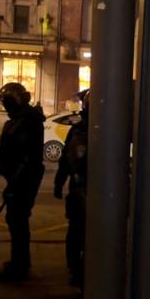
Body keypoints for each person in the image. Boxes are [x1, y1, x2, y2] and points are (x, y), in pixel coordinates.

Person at [0, 82, 45, 283]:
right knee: (16, 220)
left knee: (18, 220)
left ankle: (19, 265)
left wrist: (14, 183)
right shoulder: (21, 120)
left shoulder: (27, 121)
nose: (5, 107)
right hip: (19, 177)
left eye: (7, 102)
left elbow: (27, 156)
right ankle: (19, 261)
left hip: (23, 178)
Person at [54, 90, 89, 287]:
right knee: (77, 232)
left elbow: (65, 162)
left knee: (76, 232)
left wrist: (59, 182)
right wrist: (59, 182)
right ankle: (77, 272)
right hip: (81, 188)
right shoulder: (78, 131)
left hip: (82, 188)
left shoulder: (78, 130)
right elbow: (67, 160)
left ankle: (77, 272)